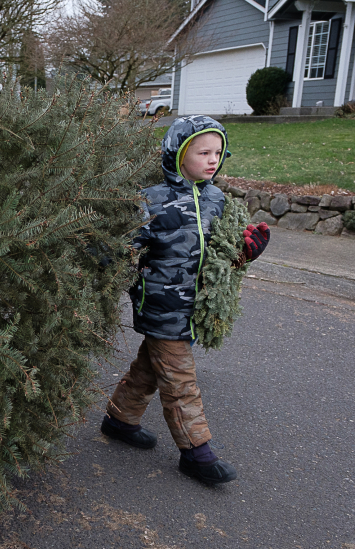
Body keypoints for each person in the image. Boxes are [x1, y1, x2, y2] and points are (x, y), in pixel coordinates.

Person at [101, 115, 269, 485]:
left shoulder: (216, 199)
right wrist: (101, 264)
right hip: (161, 303)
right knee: (179, 380)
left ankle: (119, 419)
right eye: (203, 152)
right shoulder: (152, 200)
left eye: (218, 152)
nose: (213, 159)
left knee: (151, 366)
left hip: (193, 306)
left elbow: (221, 257)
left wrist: (246, 252)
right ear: (177, 154)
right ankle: (196, 453)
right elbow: (124, 247)